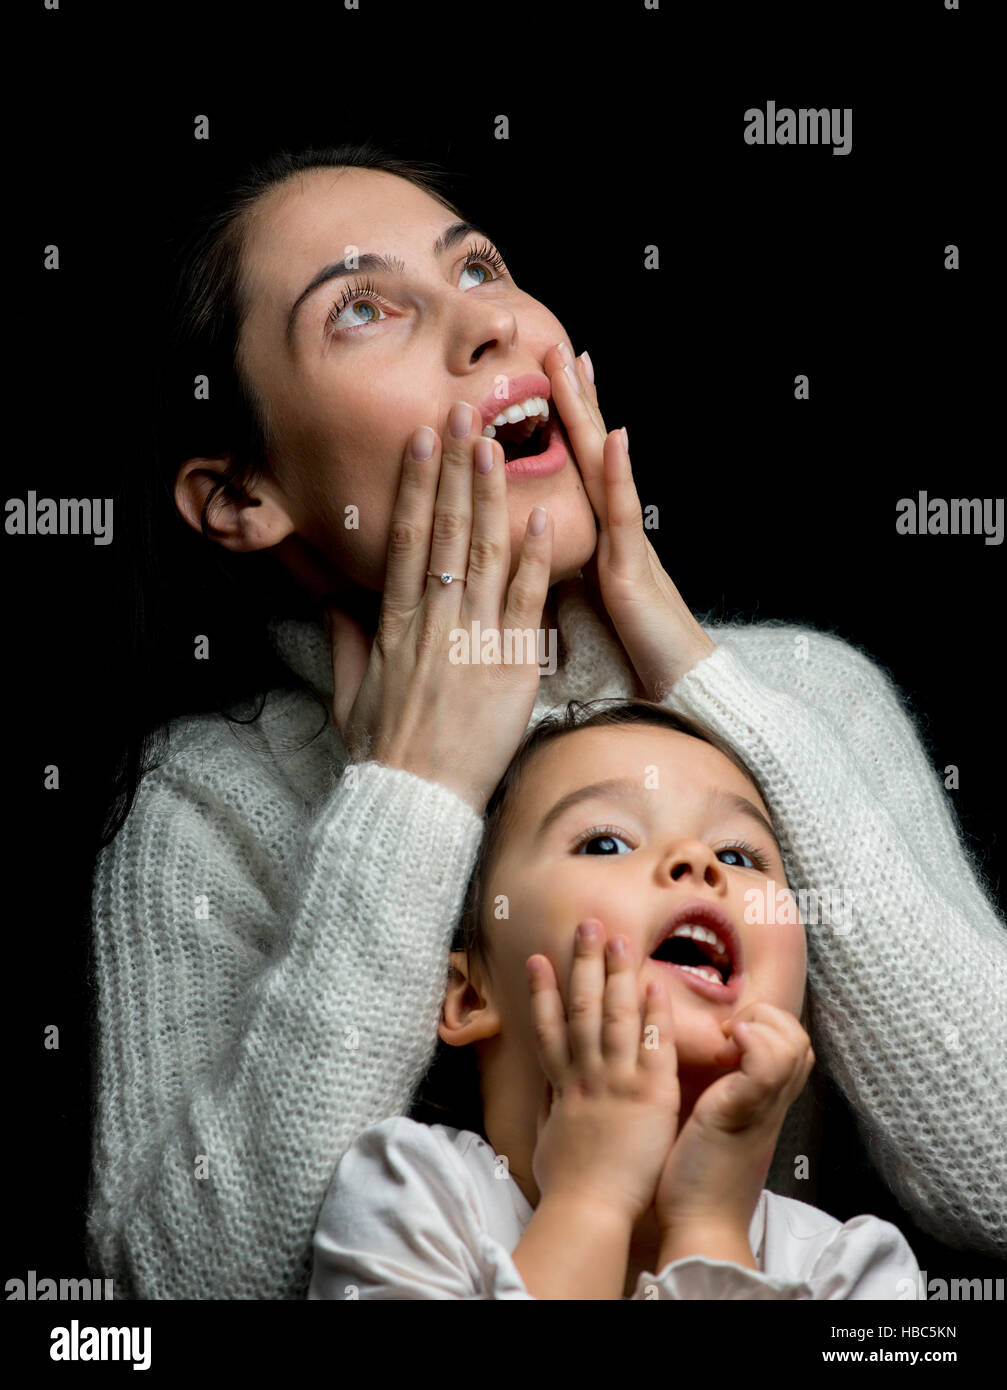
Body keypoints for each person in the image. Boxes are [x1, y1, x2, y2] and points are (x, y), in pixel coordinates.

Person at [86, 141, 1007, 1301]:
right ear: (238, 497)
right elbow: (183, 1293)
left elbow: (998, 1183)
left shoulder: (806, 697)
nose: (485, 327)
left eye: (480, 268)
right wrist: (411, 790)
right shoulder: (210, 798)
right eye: (363, 309)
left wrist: (714, 690)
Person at [308, 698, 924, 1299]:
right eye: (606, 843)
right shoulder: (407, 1195)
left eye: (738, 855)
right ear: (471, 995)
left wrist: (707, 1224)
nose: (698, 862)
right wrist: (590, 1199)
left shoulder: (857, 1270)